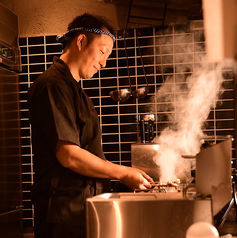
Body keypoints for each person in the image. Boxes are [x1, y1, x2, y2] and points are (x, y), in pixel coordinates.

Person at [28, 13, 153, 238]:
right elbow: (69, 155)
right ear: (81, 41)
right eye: (103, 52)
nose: (104, 63)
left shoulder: (77, 91)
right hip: (63, 214)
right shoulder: (52, 85)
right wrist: (123, 173)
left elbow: (87, 152)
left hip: (80, 210)